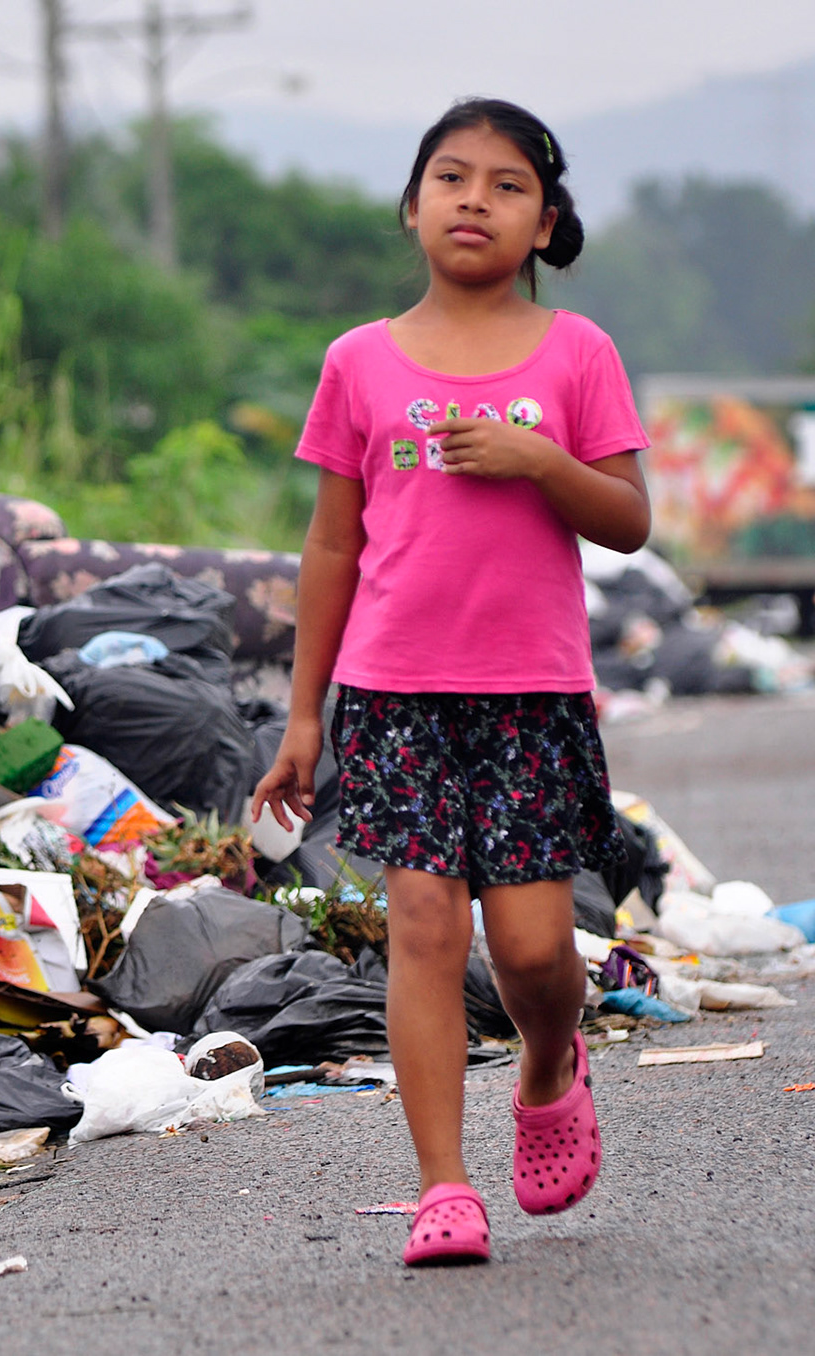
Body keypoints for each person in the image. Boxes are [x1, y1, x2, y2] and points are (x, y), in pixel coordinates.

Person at [252, 97, 651, 1267]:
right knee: (425, 928)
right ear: (413, 205)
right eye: (452, 175)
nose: (475, 197)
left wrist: (541, 459)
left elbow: (628, 521)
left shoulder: (579, 354)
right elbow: (332, 546)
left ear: (544, 222)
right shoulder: (359, 362)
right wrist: (304, 716)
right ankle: (443, 1188)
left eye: (507, 183)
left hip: (531, 695)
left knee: (533, 952)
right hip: (395, 694)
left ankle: (547, 1063)